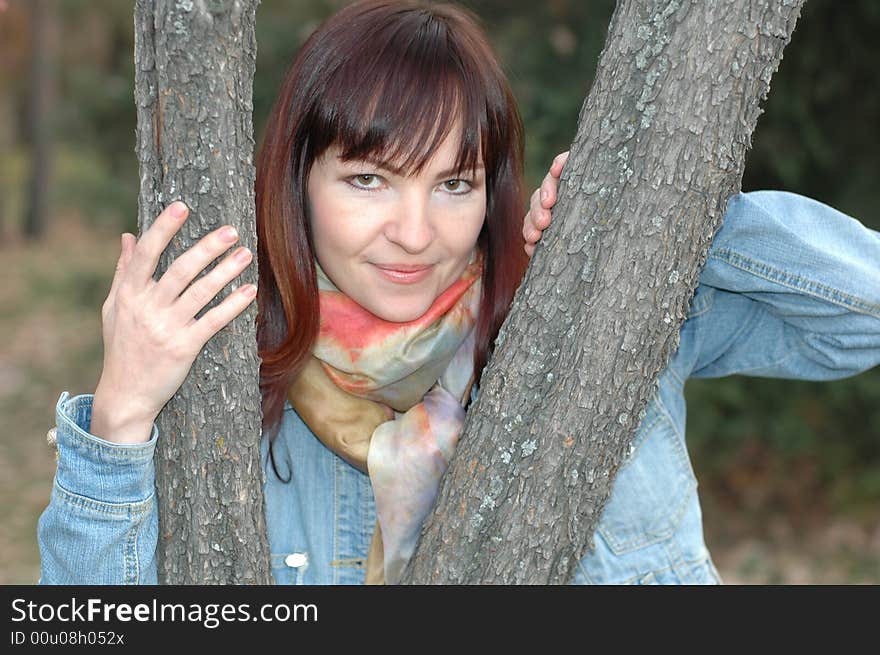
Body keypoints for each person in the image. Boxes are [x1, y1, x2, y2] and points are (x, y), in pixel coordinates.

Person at [37, 0, 880, 585]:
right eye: (369, 180)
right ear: (295, 183)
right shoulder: (224, 391)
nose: (415, 232)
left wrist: (649, 218)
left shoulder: (584, 316)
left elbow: (860, 316)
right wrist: (119, 422)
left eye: (453, 183)